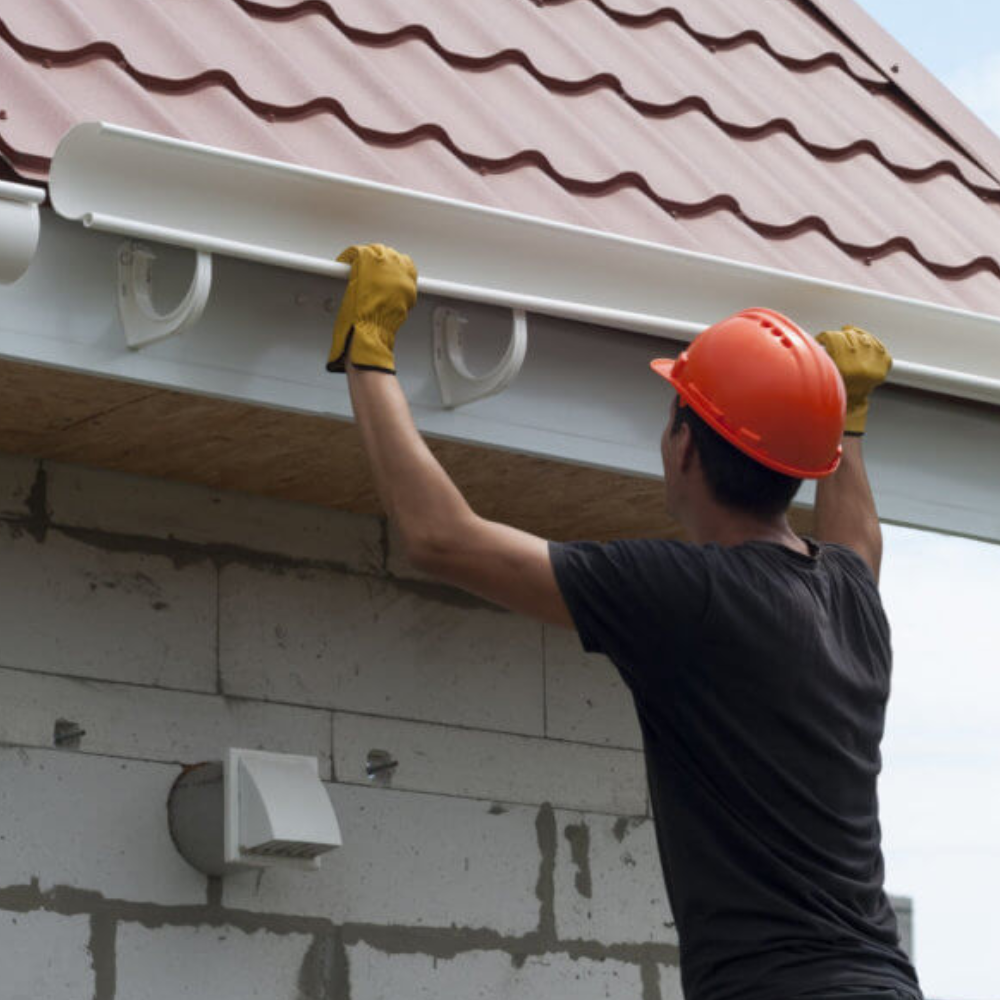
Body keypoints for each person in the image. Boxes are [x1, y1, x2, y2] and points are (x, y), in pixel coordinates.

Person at [327, 243, 924, 1000]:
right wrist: (851, 415)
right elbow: (857, 537)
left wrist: (368, 350)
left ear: (685, 447)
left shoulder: (692, 596)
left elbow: (441, 538)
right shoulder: (850, 598)